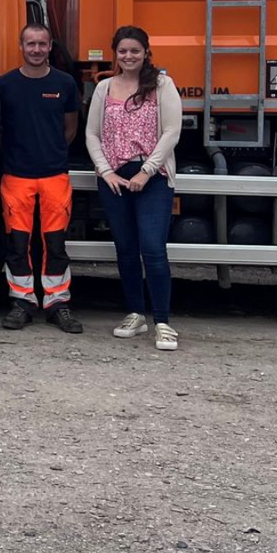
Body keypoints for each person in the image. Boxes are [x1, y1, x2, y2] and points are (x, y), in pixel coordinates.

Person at [85, 24, 183, 350]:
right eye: (123, 51)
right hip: (114, 178)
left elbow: (171, 132)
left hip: (151, 178)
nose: (129, 56)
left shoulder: (162, 85)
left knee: (153, 248)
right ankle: (135, 314)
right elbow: (92, 134)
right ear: (116, 54)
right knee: (125, 249)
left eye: (135, 51)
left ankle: (163, 322)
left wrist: (146, 170)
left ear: (146, 53)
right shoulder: (105, 88)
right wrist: (105, 172)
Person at [0, 23, 83, 334]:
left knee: (55, 243)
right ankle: (22, 302)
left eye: (41, 44)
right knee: (17, 243)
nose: (36, 49)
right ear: (21, 46)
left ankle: (58, 304)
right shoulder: (4, 84)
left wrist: (51, 152)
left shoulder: (65, 83)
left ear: (50, 47)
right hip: (16, 175)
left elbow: (69, 129)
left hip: (54, 175)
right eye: (30, 44)